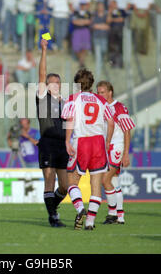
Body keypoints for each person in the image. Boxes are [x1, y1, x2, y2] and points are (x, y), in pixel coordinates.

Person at [62, 69, 114, 230]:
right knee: (96, 184)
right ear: (92, 83)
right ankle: (90, 222)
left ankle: (80, 209)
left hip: (81, 142)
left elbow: (70, 120)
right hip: (98, 141)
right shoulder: (101, 100)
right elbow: (111, 122)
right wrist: (107, 141)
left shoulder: (73, 99)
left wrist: (67, 140)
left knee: (71, 181)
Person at [36, 38, 68, 228]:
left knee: (64, 186)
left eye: (57, 82)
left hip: (63, 146)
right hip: (47, 142)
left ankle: (51, 208)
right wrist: (44, 50)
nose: (54, 85)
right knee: (50, 179)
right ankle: (53, 217)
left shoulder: (65, 103)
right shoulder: (42, 98)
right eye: (50, 82)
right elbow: (41, 73)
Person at [97, 80, 135, 224]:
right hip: (105, 147)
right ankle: (120, 216)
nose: (100, 95)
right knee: (113, 182)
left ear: (110, 92)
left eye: (102, 92)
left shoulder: (119, 107)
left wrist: (126, 153)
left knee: (104, 179)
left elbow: (127, 131)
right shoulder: (100, 107)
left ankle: (112, 213)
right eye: (98, 92)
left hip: (116, 147)